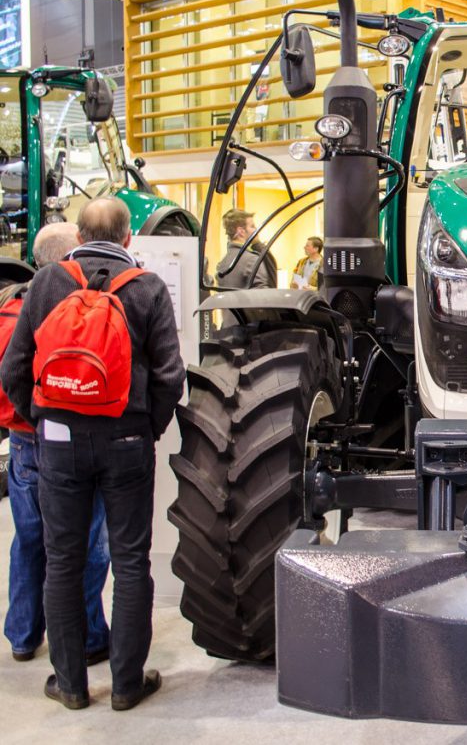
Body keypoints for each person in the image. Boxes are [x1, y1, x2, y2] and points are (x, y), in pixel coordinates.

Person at [0, 197, 185, 710]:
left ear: (79, 238)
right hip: (127, 441)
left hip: (56, 441)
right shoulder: (146, 287)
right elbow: (171, 376)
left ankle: (71, 685)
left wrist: (42, 421)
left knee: (62, 560)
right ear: (129, 239)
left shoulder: (46, 283)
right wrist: (145, 429)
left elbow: (14, 368)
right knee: (130, 561)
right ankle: (127, 685)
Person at [3, 223, 111, 666]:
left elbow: (11, 375)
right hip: (67, 440)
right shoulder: (75, 310)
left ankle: (23, 634)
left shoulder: (10, 304)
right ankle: (88, 636)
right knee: (86, 542)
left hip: (23, 440)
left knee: (29, 538)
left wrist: (29, 421)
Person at [215, 208, 276, 288]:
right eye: (252, 226)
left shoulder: (223, 263)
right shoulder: (251, 260)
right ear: (241, 231)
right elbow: (263, 295)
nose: (256, 230)